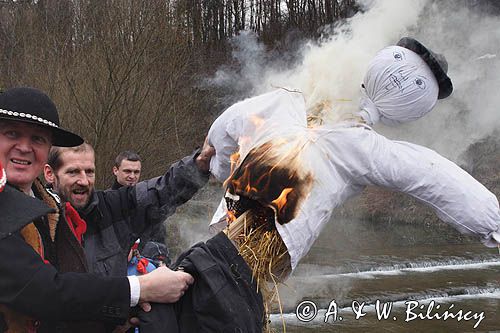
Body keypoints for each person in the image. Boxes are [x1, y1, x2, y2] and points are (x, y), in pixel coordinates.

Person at [207, 37, 500, 274]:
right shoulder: (363, 148)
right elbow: (434, 176)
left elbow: (224, 128)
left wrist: (216, 165)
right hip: (269, 247)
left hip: (230, 224)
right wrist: (493, 225)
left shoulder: (286, 101)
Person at [0, 87, 194, 332]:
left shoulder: (51, 208)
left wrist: (113, 319)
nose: (24, 147)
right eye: (12, 133)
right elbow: (45, 292)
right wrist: (140, 288)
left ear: (47, 148)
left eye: (37, 138)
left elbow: (72, 295)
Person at [44, 138, 213, 278]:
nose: (84, 181)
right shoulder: (37, 221)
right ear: (50, 174)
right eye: (73, 172)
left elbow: (161, 191)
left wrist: (199, 163)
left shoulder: (113, 208)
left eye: (89, 172)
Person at [110, 150, 168, 250]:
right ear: (115, 170)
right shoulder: (104, 201)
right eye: (127, 171)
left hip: (143, 260)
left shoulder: (148, 202)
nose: (132, 176)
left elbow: (159, 240)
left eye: (136, 172)